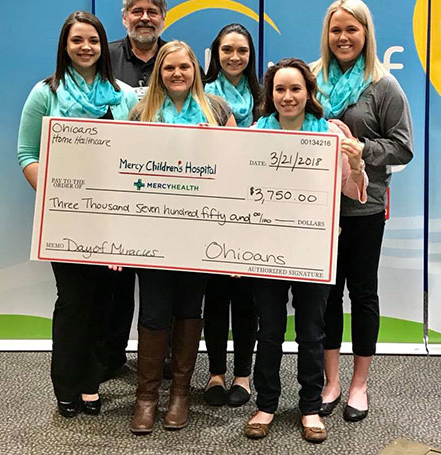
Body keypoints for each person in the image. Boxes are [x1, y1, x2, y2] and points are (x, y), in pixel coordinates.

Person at [17, 11, 138, 418]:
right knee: (73, 302)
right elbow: (27, 154)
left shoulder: (124, 96)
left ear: (104, 46)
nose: (85, 47)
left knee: (104, 301)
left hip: (113, 221)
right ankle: (66, 386)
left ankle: (91, 382)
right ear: (64, 47)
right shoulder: (45, 93)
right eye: (76, 40)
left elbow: (139, 155)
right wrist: (56, 197)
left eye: (93, 40)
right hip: (65, 221)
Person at [244, 58, 367, 443]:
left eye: (295, 89)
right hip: (266, 250)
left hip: (313, 249)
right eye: (280, 89)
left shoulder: (331, 134)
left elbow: (352, 191)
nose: (287, 97)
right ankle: (266, 404)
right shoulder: (254, 135)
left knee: (312, 332)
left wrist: (358, 165)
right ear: (270, 94)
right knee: (270, 331)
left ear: (309, 93)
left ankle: (310, 408)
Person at [311, 0, 413, 422]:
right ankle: (331, 381)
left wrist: (362, 148)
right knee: (327, 296)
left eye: (352, 29)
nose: (343, 37)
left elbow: (403, 147)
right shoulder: (312, 80)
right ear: (326, 35)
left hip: (364, 210)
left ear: (366, 34)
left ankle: (359, 385)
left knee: (363, 294)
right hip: (316, 209)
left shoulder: (383, 85)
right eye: (336, 30)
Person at [129, 40, 237, 435]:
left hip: (200, 233)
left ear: (196, 71)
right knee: (154, 310)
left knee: (190, 308)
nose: (177, 74)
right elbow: (124, 175)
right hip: (152, 234)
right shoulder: (141, 112)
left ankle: (180, 394)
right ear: (159, 71)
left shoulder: (218, 109)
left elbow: (236, 171)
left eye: (185, 68)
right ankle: (146, 398)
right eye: (169, 68)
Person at [106, 0, 168, 380]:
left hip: (165, 187)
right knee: (114, 283)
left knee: (161, 282)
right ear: (125, 16)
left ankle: (159, 359)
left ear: (164, 17)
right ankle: (111, 357)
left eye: (152, 11)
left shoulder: (176, 58)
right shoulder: (104, 57)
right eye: (137, 10)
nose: (144, 18)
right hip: (115, 183)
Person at [201, 23, 260, 407]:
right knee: (215, 295)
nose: (234, 57)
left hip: (254, 210)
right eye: (227, 50)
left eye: (241, 50)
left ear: (251, 55)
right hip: (210, 208)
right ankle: (216, 373)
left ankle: (243, 375)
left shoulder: (264, 98)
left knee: (247, 297)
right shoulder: (201, 97)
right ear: (215, 54)